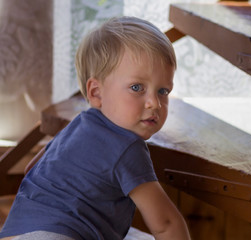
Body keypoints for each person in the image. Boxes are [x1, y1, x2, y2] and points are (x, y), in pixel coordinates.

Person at [0, 17, 191, 240]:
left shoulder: (80, 123)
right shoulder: (128, 148)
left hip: (16, 229)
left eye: (163, 91)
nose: (154, 103)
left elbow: (32, 167)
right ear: (96, 92)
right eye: (137, 87)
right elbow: (166, 223)